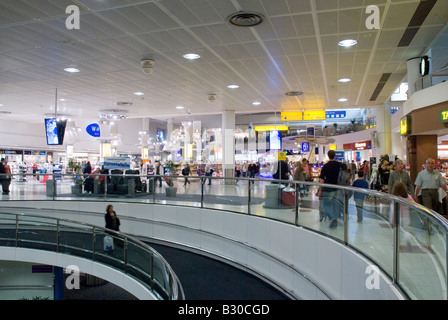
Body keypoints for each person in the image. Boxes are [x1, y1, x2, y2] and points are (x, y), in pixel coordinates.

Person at [319, 150, 341, 228]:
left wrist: (320, 188)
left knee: (326, 205)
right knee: (335, 205)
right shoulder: (339, 165)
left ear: (328, 156)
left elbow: (322, 179)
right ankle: (335, 220)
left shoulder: (326, 166)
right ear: (334, 155)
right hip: (338, 188)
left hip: (328, 188)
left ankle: (332, 218)